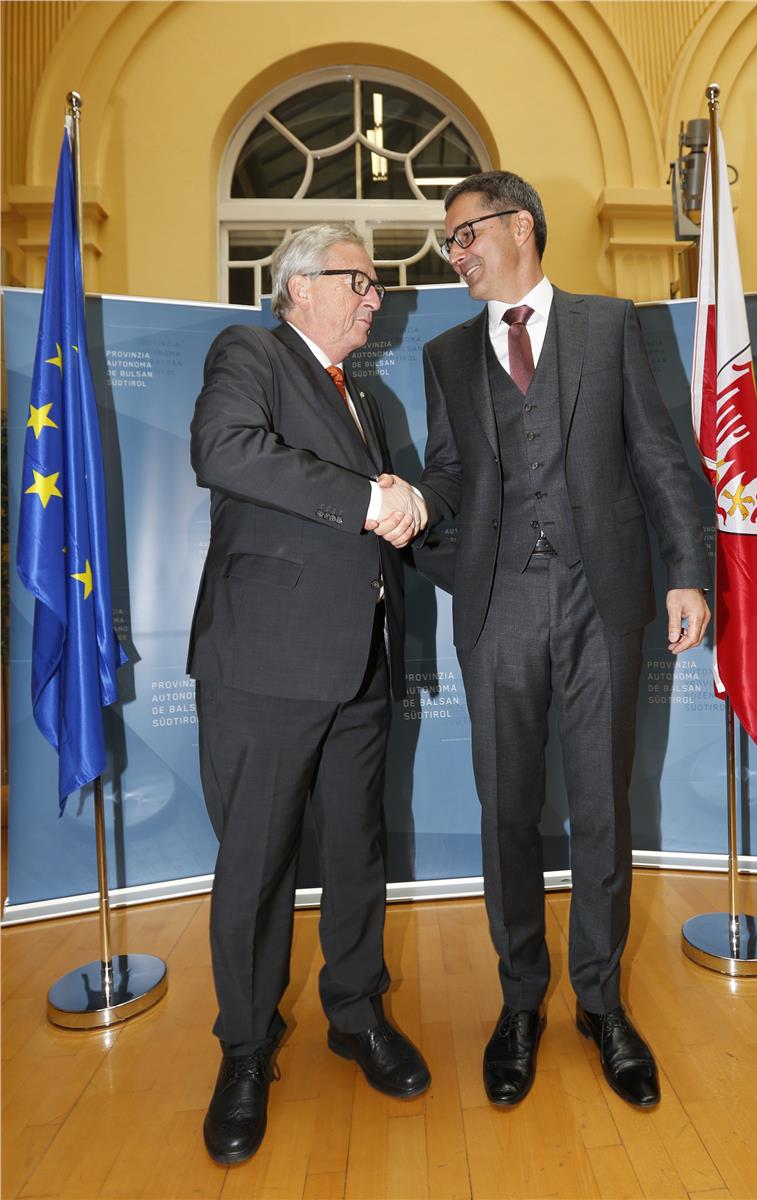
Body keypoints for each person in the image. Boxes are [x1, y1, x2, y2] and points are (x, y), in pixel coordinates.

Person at [406, 171, 710, 1109]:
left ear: (520, 227)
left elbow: (659, 456)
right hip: (496, 609)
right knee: (505, 812)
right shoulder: (447, 355)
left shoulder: (609, 325)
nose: (455, 255)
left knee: (602, 810)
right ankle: (520, 1004)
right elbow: (449, 476)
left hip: (600, 601)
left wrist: (685, 571)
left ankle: (602, 1006)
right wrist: (417, 516)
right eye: (450, 242)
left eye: (465, 235)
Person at [188, 223, 429, 1165]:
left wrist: (410, 509)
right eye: (360, 281)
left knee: (358, 848)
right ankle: (246, 1048)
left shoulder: (359, 396)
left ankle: (356, 1013)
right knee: (257, 863)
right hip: (264, 663)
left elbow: (382, 521)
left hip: (359, 662)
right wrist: (370, 499)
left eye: (376, 285)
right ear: (299, 285)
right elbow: (224, 451)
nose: (376, 298)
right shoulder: (250, 353)